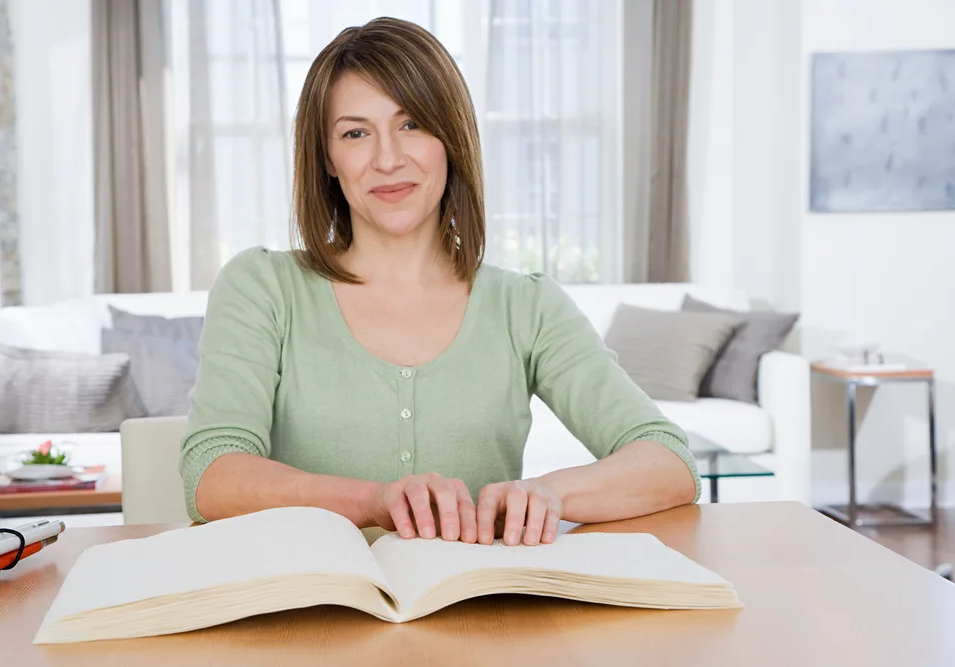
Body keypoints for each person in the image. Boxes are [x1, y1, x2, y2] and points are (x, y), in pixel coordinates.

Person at [179, 17, 700, 547]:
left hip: (480, 619)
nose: (387, 159)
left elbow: (667, 461)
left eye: (412, 125)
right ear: (329, 160)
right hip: (307, 618)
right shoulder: (262, 286)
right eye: (355, 133)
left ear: (450, 139)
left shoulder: (525, 306)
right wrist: (372, 502)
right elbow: (211, 474)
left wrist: (549, 494)